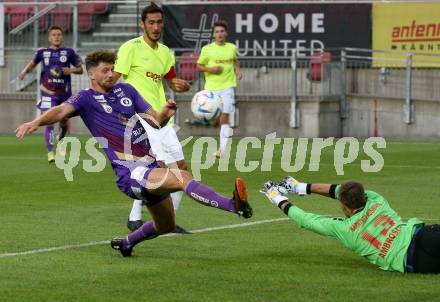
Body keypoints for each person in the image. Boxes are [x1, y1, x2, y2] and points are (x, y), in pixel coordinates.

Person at [15, 50, 253, 258]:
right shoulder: (86, 98)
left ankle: (127, 243)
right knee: (182, 177)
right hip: (130, 172)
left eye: (112, 69)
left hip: (150, 166)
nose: (111, 74)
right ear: (92, 75)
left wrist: (166, 113)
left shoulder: (127, 90)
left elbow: (156, 122)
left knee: (166, 224)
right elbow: (60, 110)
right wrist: (35, 121)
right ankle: (233, 206)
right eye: (105, 70)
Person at [112, 2, 191, 233]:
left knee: (181, 168)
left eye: (159, 22)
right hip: (140, 117)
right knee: (159, 169)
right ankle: (135, 217)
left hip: (163, 119)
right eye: (151, 22)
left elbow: (171, 81)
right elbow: (113, 79)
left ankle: (170, 221)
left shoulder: (166, 53)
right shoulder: (130, 47)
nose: (156, 27)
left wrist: (181, 85)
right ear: (143, 24)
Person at [261, 176, 440, 274]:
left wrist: (278, 198)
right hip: (421, 235)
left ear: (344, 206)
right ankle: (298, 187)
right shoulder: (375, 199)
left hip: (412, 261)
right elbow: (338, 190)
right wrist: (301, 187)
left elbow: (306, 220)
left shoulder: (345, 230)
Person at [18, 25, 83, 163]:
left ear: (62, 37)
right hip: (48, 93)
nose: (57, 37)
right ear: (49, 37)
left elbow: (80, 69)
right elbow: (32, 64)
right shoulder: (43, 52)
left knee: (64, 121)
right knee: (49, 121)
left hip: (65, 94)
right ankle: (50, 152)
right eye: (54, 35)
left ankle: (61, 141)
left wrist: (70, 71)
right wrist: (24, 72)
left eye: (59, 34)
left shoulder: (69, 52)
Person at [196, 20, 242, 159]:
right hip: (211, 90)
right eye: (217, 32)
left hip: (228, 88)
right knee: (216, 119)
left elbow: (236, 60)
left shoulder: (232, 48)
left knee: (225, 117)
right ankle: (213, 120)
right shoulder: (207, 49)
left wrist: (238, 71)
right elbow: (198, 66)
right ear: (213, 34)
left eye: (222, 31)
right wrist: (211, 69)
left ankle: (222, 150)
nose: (220, 34)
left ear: (226, 33)